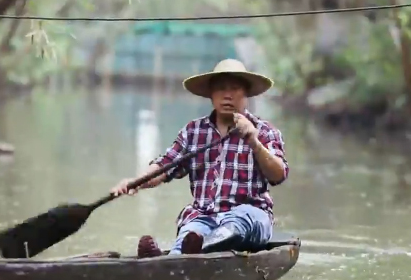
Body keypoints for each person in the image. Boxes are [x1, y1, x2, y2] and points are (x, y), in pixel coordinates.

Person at [110, 59, 289, 257]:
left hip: (250, 216)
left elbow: (278, 174)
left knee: (237, 224)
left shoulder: (264, 131)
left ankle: (197, 250)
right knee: (190, 233)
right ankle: (171, 258)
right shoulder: (193, 132)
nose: (227, 95)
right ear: (211, 96)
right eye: (220, 89)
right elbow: (165, 166)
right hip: (204, 217)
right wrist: (135, 182)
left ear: (245, 95)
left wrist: (254, 142)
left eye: (234, 88)